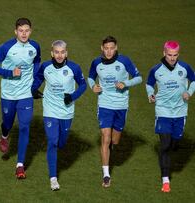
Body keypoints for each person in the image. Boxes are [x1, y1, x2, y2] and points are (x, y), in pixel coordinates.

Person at [88, 36, 142, 188]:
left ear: (116, 47)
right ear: (102, 48)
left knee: (114, 141)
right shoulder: (96, 63)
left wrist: (126, 83)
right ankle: (106, 174)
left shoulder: (124, 61)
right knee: (105, 138)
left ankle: (109, 149)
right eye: (106, 48)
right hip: (104, 104)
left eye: (112, 48)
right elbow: (91, 77)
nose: (109, 51)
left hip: (121, 105)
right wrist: (93, 86)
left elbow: (139, 78)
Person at [32, 40, 86, 191]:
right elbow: (37, 79)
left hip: (67, 111)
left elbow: (83, 85)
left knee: (61, 142)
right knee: (53, 141)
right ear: (52, 53)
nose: (60, 55)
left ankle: (57, 152)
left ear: (66, 53)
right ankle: (53, 178)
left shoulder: (74, 68)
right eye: (57, 52)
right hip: (50, 110)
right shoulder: (45, 67)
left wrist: (73, 96)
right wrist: (33, 90)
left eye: (62, 52)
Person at [0, 17, 41, 179]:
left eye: (26, 30)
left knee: (25, 126)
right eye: (21, 31)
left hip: (26, 94)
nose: (24, 33)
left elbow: (37, 62)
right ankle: (4, 136)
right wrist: (10, 73)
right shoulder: (6, 47)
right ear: (15, 32)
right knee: (8, 123)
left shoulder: (35, 47)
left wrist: (34, 83)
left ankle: (20, 165)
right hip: (8, 94)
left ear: (30, 31)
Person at [146, 41, 195, 193]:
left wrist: (189, 92)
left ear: (178, 54)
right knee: (165, 145)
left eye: (175, 55)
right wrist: (150, 94)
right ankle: (165, 179)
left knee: (175, 142)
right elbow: (149, 84)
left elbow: (194, 81)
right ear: (164, 53)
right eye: (169, 55)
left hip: (180, 112)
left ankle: (174, 143)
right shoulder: (156, 70)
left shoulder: (185, 68)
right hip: (163, 112)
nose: (172, 58)